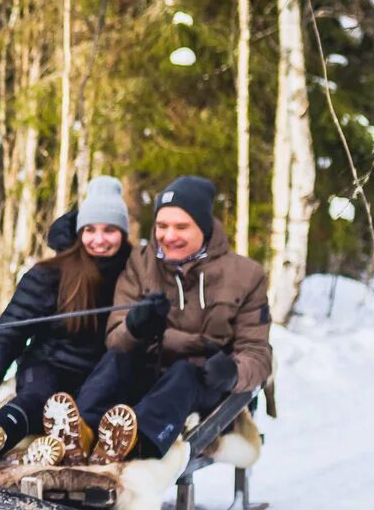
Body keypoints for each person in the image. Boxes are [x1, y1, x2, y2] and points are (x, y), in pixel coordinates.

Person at [58, 174, 273, 464]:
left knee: (182, 375)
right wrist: (136, 325)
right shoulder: (140, 263)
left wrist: (232, 371)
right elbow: (115, 338)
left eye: (181, 226)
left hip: (201, 382)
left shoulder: (246, 276)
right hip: (148, 370)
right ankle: (80, 436)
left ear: (204, 228)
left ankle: (133, 449)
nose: (168, 236)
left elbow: (258, 354)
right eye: (162, 226)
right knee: (115, 362)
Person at [0, 176, 133, 471]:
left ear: (123, 232)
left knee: (86, 411)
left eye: (109, 230)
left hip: (100, 376)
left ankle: (52, 450)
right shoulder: (50, 275)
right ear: (79, 231)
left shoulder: (135, 274)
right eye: (91, 230)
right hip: (49, 365)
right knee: (38, 399)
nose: (99, 239)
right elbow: (10, 334)